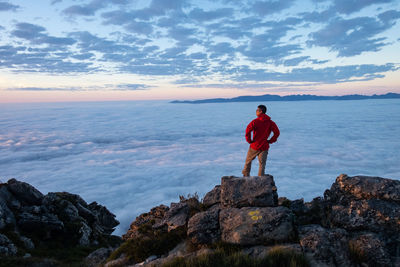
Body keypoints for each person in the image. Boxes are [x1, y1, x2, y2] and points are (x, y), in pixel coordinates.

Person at [242, 105, 280, 177]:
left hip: (255, 145)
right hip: (264, 145)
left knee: (248, 161)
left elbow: (247, 131)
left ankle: (246, 176)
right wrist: (271, 141)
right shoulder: (270, 122)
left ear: (260, 111)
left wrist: (249, 140)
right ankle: (261, 178)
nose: (256, 112)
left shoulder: (255, 121)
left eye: (257, 110)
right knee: (262, 164)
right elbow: (277, 132)